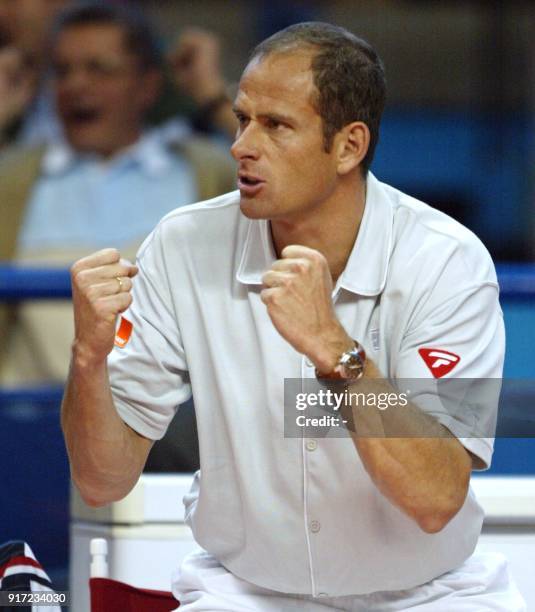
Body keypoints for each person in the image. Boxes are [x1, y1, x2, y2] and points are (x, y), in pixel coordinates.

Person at [61, 22, 526, 611]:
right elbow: (103, 481)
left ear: (349, 146)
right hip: (242, 593)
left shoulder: (447, 260)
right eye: (242, 119)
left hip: (431, 596)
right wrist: (88, 357)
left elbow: (435, 498)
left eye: (276, 125)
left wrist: (339, 353)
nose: (241, 146)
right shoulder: (182, 243)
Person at [0, 2, 235, 386]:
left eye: (100, 69)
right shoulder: (10, 177)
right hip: (30, 426)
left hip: (176, 430)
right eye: (62, 71)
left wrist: (211, 94)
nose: (76, 85)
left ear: (148, 85)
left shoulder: (208, 171)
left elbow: (300, 182)